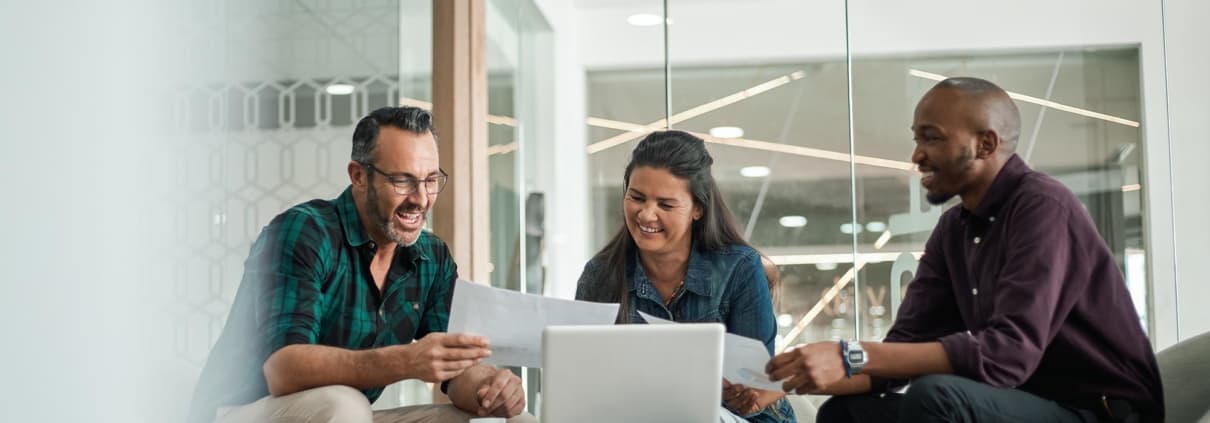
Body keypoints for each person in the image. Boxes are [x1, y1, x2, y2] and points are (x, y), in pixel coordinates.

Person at [765, 77, 1164, 423]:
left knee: (938, 399)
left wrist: (854, 355)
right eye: (916, 138)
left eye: (931, 137)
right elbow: (902, 348)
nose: (916, 155)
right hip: (1024, 402)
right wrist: (793, 379)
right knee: (845, 414)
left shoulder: (1043, 206)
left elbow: (1007, 354)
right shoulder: (954, 229)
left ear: (985, 144)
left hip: (1098, 411)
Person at [188, 106, 535, 423]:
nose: (420, 199)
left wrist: (490, 387)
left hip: (347, 417)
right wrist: (406, 360)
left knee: (509, 421)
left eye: (430, 180)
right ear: (358, 176)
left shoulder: (432, 257)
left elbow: (455, 369)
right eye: (403, 180)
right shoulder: (303, 231)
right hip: (241, 412)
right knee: (344, 405)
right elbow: (283, 370)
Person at [576, 130, 796, 423]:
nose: (646, 215)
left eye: (665, 205)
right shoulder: (600, 275)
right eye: (636, 198)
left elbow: (754, 386)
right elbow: (583, 379)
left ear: (697, 209)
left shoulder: (739, 268)